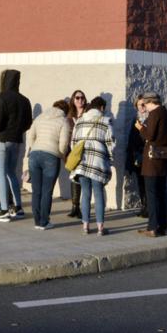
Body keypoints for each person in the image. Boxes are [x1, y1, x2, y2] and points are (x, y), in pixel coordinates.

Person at [0, 69, 33, 222]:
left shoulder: (3, 98)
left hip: (0, 140)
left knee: (1, 174)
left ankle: (4, 209)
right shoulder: (25, 100)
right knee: (11, 173)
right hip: (16, 140)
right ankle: (18, 207)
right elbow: (28, 123)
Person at [71, 97, 115, 235]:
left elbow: (73, 143)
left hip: (82, 162)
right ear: (102, 108)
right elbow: (111, 144)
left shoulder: (80, 121)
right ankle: (100, 228)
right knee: (98, 193)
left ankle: (85, 226)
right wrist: (109, 159)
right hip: (98, 162)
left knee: (85, 193)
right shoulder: (105, 121)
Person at [27, 100, 71, 230]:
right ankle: (44, 222)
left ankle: (37, 221)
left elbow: (30, 137)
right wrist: (61, 155)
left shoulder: (40, 117)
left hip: (34, 155)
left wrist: (34, 147)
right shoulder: (63, 121)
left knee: (36, 191)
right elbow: (63, 144)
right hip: (51, 156)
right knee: (47, 191)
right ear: (65, 110)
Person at [136, 92, 167, 237]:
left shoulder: (154, 114)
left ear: (149, 102)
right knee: (162, 193)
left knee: (151, 194)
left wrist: (140, 128)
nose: (144, 106)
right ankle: (164, 226)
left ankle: (152, 227)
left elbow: (150, 136)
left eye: (144, 104)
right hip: (164, 157)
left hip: (152, 160)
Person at [65, 90, 88, 219]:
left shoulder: (88, 114)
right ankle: (75, 207)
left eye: (82, 97)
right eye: (77, 98)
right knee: (74, 178)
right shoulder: (70, 116)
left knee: (84, 179)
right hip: (73, 152)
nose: (80, 100)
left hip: (85, 151)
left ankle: (83, 207)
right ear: (73, 100)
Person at [125, 97, 149, 220]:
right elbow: (131, 139)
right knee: (141, 183)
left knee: (148, 183)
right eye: (140, 105)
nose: (142, 107)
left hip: (149, 157)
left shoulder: (151, 119)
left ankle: (149, 208)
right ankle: (144, 206)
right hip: (138, 157)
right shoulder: (136, 120)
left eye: (144, 104)